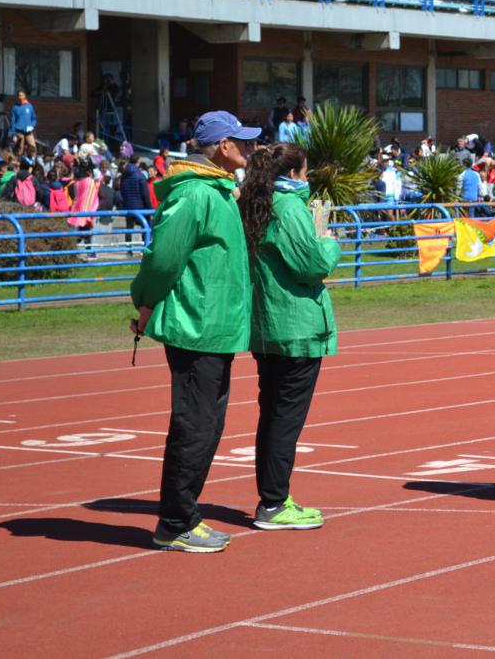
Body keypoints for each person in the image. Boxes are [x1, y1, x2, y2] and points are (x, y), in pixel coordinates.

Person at [129, 110, 259, 553]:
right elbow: (164, 258)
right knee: (195, 426)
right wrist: (146, 302)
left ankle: (183, 517)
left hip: (215, 327)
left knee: (207, 425)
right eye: (243, 141)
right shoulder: (194, 194)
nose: (250, 148)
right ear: (223, 146)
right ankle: (175, 521)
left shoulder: (218, 191)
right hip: (196, 326)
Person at [239, 143, 340, 530]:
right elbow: (311, 265)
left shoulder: (253, 203)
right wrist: (327, 241)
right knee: (284, 420)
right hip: (296, 327)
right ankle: (274, 502)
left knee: (272, 416)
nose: (308, 178)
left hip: (267, 326)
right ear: (294, 174)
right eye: (305, 171)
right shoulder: (288, 207)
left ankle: (272, 498)